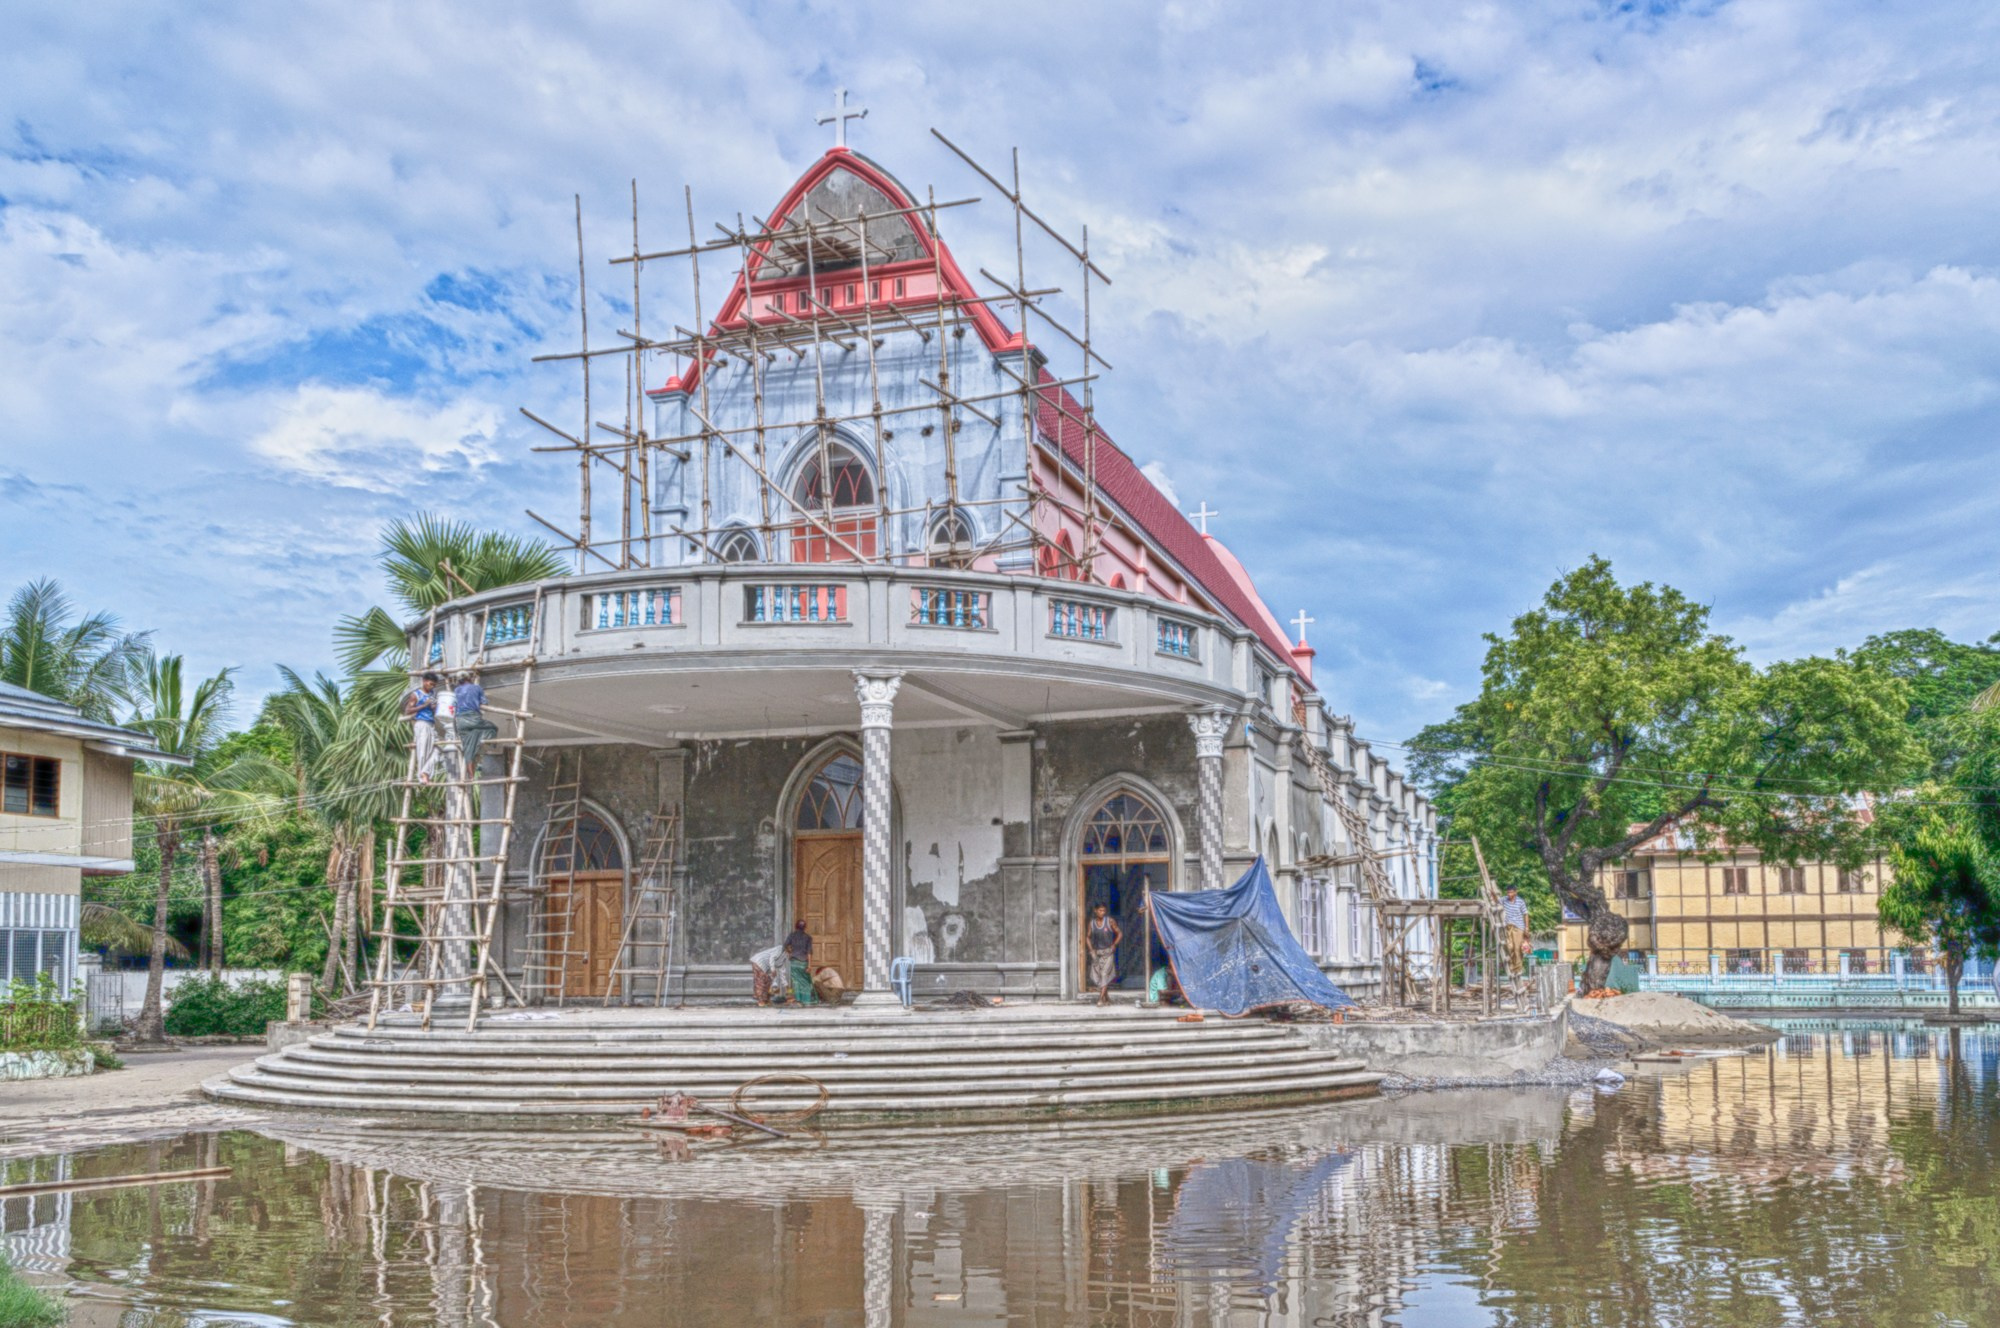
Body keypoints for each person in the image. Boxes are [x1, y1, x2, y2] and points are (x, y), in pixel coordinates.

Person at [452, 671, 498, 771]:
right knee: (492, 728)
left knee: (468, 749)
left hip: (460, 720)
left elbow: (453, 704)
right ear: (469, 678)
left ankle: (471, 776)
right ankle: (484, 744)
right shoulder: (476, 688)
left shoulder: (456, 690)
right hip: (473, 718)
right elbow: (484, 702)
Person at [401, 672, 441, 782]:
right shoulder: (416, 694)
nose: (432, 686)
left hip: (431, 723)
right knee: (423, 750)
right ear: (424, 681)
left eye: (434, 685)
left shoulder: (432, 694)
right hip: (422, 723)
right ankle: (423, 776)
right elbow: (407, 711)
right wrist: (424, 705)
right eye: (431, 684)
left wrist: (433, 707)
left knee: (439, 749)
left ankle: (425, 771)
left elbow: (433, 709)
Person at [1085, 903, 1122, 1006]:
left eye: (1104, 911)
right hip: (1097, 953)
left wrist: (1114, 944)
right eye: (1100, 910)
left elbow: (1119, 933)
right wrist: (1091, 950)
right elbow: (1087, 937)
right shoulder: (1092, 924)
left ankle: (1100, 999)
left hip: (1108, 952)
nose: (1102, 913)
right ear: (1095, 911)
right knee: (1097, 977)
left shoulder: (1110, 921)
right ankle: (1107, 998)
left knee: (1104, 974)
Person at [784, 918, 817, 1005]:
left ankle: (798, 1000)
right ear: (805, 927)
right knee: (805, 982)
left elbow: (785, 945)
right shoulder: (808, 937)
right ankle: (806, 1000)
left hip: (794, 962)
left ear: (796, 926)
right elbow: (809, 952)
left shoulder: (792, 935)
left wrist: (789, 953)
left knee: (796, 981)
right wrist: (810, 965)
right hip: (803, 962)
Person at [1502, 885, 1530, 976]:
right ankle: (1511, 966)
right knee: (1509, 947)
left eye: (1511, 892)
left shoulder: (1520, 902)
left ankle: (1518, 968)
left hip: (1519, 927)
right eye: (1508, 892)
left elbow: (1525, 914)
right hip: (1508, 927)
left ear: (1515, 892)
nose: (1509, 894)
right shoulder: (1504, 900)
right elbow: (1494, 900)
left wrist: (1526, 927)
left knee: (1517, 948)